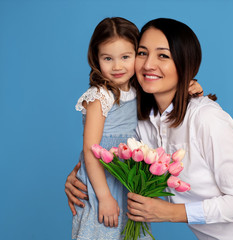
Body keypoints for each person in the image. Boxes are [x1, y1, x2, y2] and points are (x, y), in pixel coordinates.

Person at [66, 18, 233, 240]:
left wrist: (171, 213)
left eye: (163, 55)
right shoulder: (142, 122)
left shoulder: (207, 118)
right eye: (142, 53)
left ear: (185, 64)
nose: (148, 64)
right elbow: (107, 150)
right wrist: (80, 179)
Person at [70, 17, 203, 240]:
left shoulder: (139, 90)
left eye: (126, 57)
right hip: (103, 182)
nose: (117, 66)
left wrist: (191, 84)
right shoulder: (99, 96)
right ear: (96, 59)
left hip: (128, 178)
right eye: (108, 58)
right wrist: (103, 197)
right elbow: (91, 150)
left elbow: (170, 91)